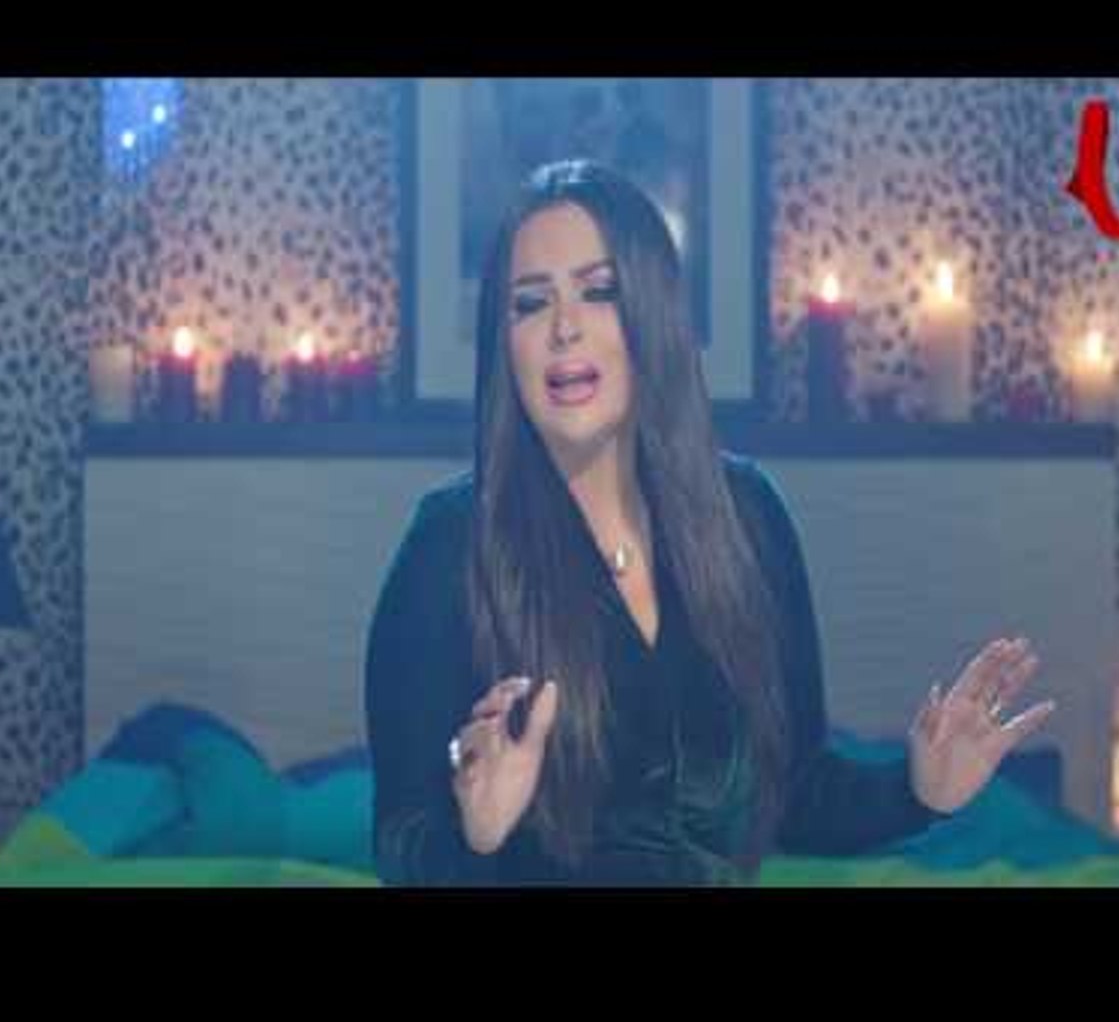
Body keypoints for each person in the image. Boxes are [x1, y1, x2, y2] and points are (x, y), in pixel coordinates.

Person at [364, 159, 1054, 886]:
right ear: (504, 342)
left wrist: (917, 792)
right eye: (530, 304)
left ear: (653, 314)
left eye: (600, 292)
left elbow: (794, 792)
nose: (564, 328)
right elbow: (402, 845)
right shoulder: (447, 546)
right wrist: (475, 833)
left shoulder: (747, 518)